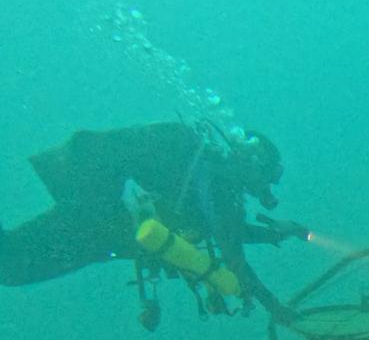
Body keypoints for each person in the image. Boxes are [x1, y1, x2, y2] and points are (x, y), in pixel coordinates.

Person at [0, 121, 308, 328]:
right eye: (269, 176)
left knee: (14, 259)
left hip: (98, 205)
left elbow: (229, 232)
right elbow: (234, 256)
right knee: (14, 266)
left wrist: (275, 233)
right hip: (101, 216)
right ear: (253, 164)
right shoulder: (217, 183)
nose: (267, 187)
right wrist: (275, 307)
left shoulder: (210, 176)